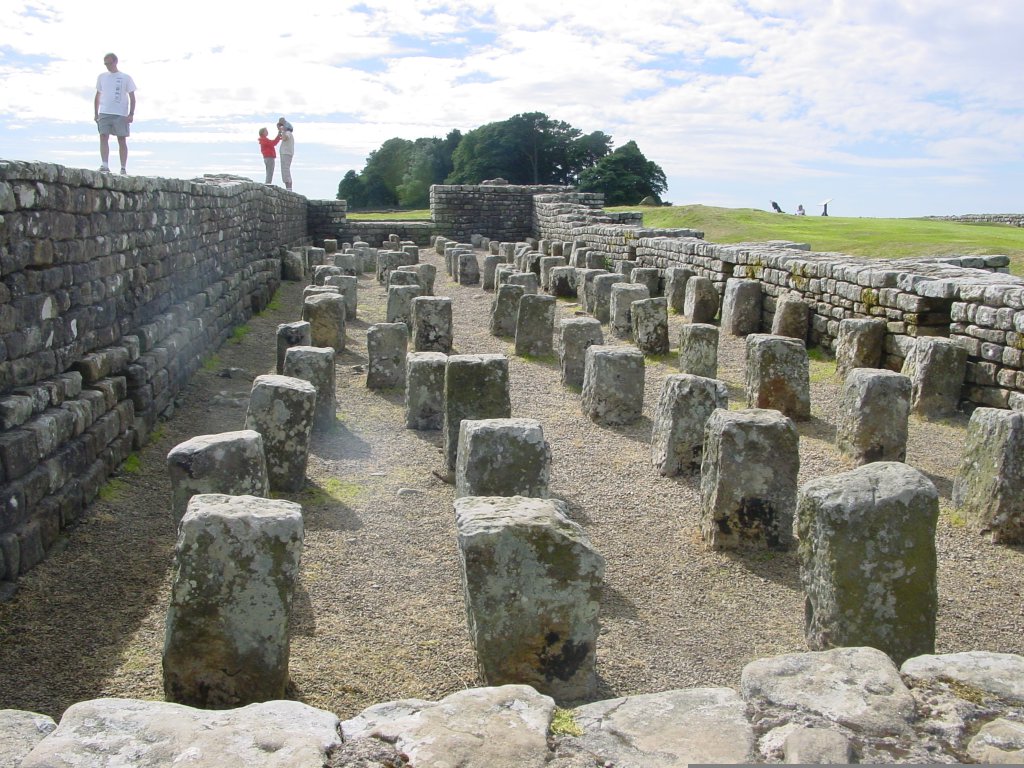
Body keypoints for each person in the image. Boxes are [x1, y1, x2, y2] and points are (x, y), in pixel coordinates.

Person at [94, 53, 137, 175]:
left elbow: (132, 97)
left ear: (115, 62)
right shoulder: (102, 77)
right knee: (103, 136)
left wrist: (131, 114)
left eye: (109, 63)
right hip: (104, 111)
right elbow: (98, 95)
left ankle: (123, 167)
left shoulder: (125, 77)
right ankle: (105, 164)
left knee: (121, 139)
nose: (107, 66)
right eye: (105, 64)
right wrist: (96, 113)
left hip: (120, 113)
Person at [277, 117, 294, 191]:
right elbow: (280, 137)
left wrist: (282, 130)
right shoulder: (286, 133)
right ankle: (288, 188)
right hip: (285, 153)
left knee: (285, 170)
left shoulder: (288, 133)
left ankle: (289, 188)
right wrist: (280, 131)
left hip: (286, 153)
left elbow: (284, 138)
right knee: (284, 171)